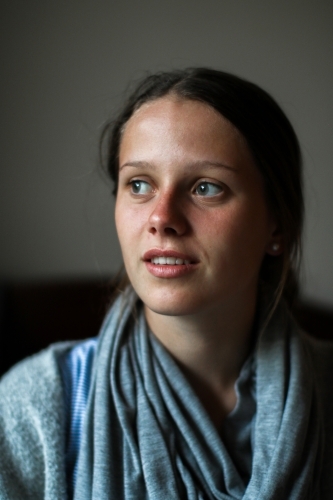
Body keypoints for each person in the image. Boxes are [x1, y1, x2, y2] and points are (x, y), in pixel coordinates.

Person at [0, 68, 332, 500]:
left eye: (206, 187)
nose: (162, 218)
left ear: (276, 225)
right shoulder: (34, 409)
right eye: (139, 184)